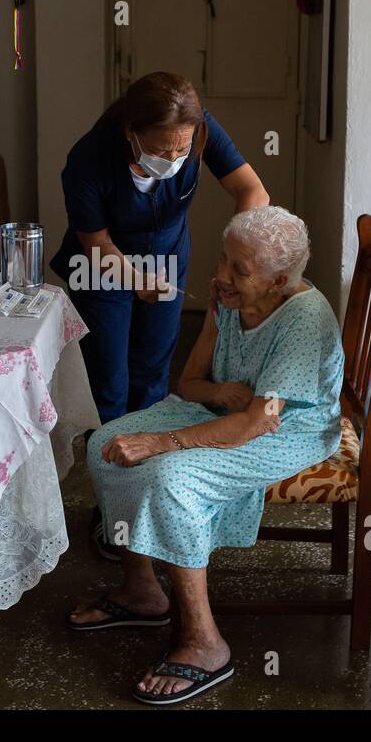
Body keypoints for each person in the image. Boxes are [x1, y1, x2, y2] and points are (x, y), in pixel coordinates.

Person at [65, 207, 344, 705]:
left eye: (239, 269)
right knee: (106, 446)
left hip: (289, 430)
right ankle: (142, 591)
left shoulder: (305, 319)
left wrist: (164, 442)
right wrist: (217, 394)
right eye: (223, 260)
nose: (220, 276)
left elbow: (259, 421)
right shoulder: (228, 297)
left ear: (279, 280)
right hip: (232, 410)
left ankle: (204, 643)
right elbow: (190, 382)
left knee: (172, 478)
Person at [50, 72, 268, 558]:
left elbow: (253, 191)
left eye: (181, 151)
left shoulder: (200, 128)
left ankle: (144, 502)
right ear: (132, 132)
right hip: (102, 269)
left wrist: (237, 252)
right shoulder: (88, 158)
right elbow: (96, 243)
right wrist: (137, 281)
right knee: (110, 385)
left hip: (168, 258)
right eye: (162, 150)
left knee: (151, 378)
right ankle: (110, 511)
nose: (173, 159)